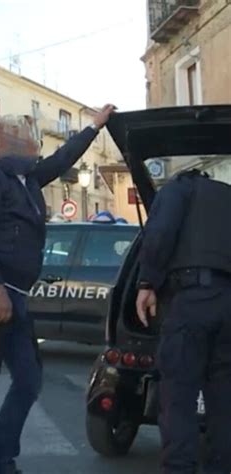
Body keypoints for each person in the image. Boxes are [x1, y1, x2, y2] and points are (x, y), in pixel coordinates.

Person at [0, 106, 115, 474]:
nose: (36, 147)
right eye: (29, 140)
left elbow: (63, 158)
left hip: (13, 293)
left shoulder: (26, 179)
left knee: (28, 379)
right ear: (11, 144)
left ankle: (1, 456)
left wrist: (94, 128)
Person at [135, 169, 231, 474]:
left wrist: (146, 283)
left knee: (178, 395)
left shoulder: (178, 190)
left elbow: (160, 235)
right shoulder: (227, 197)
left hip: (192, 301)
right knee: (225, 398)